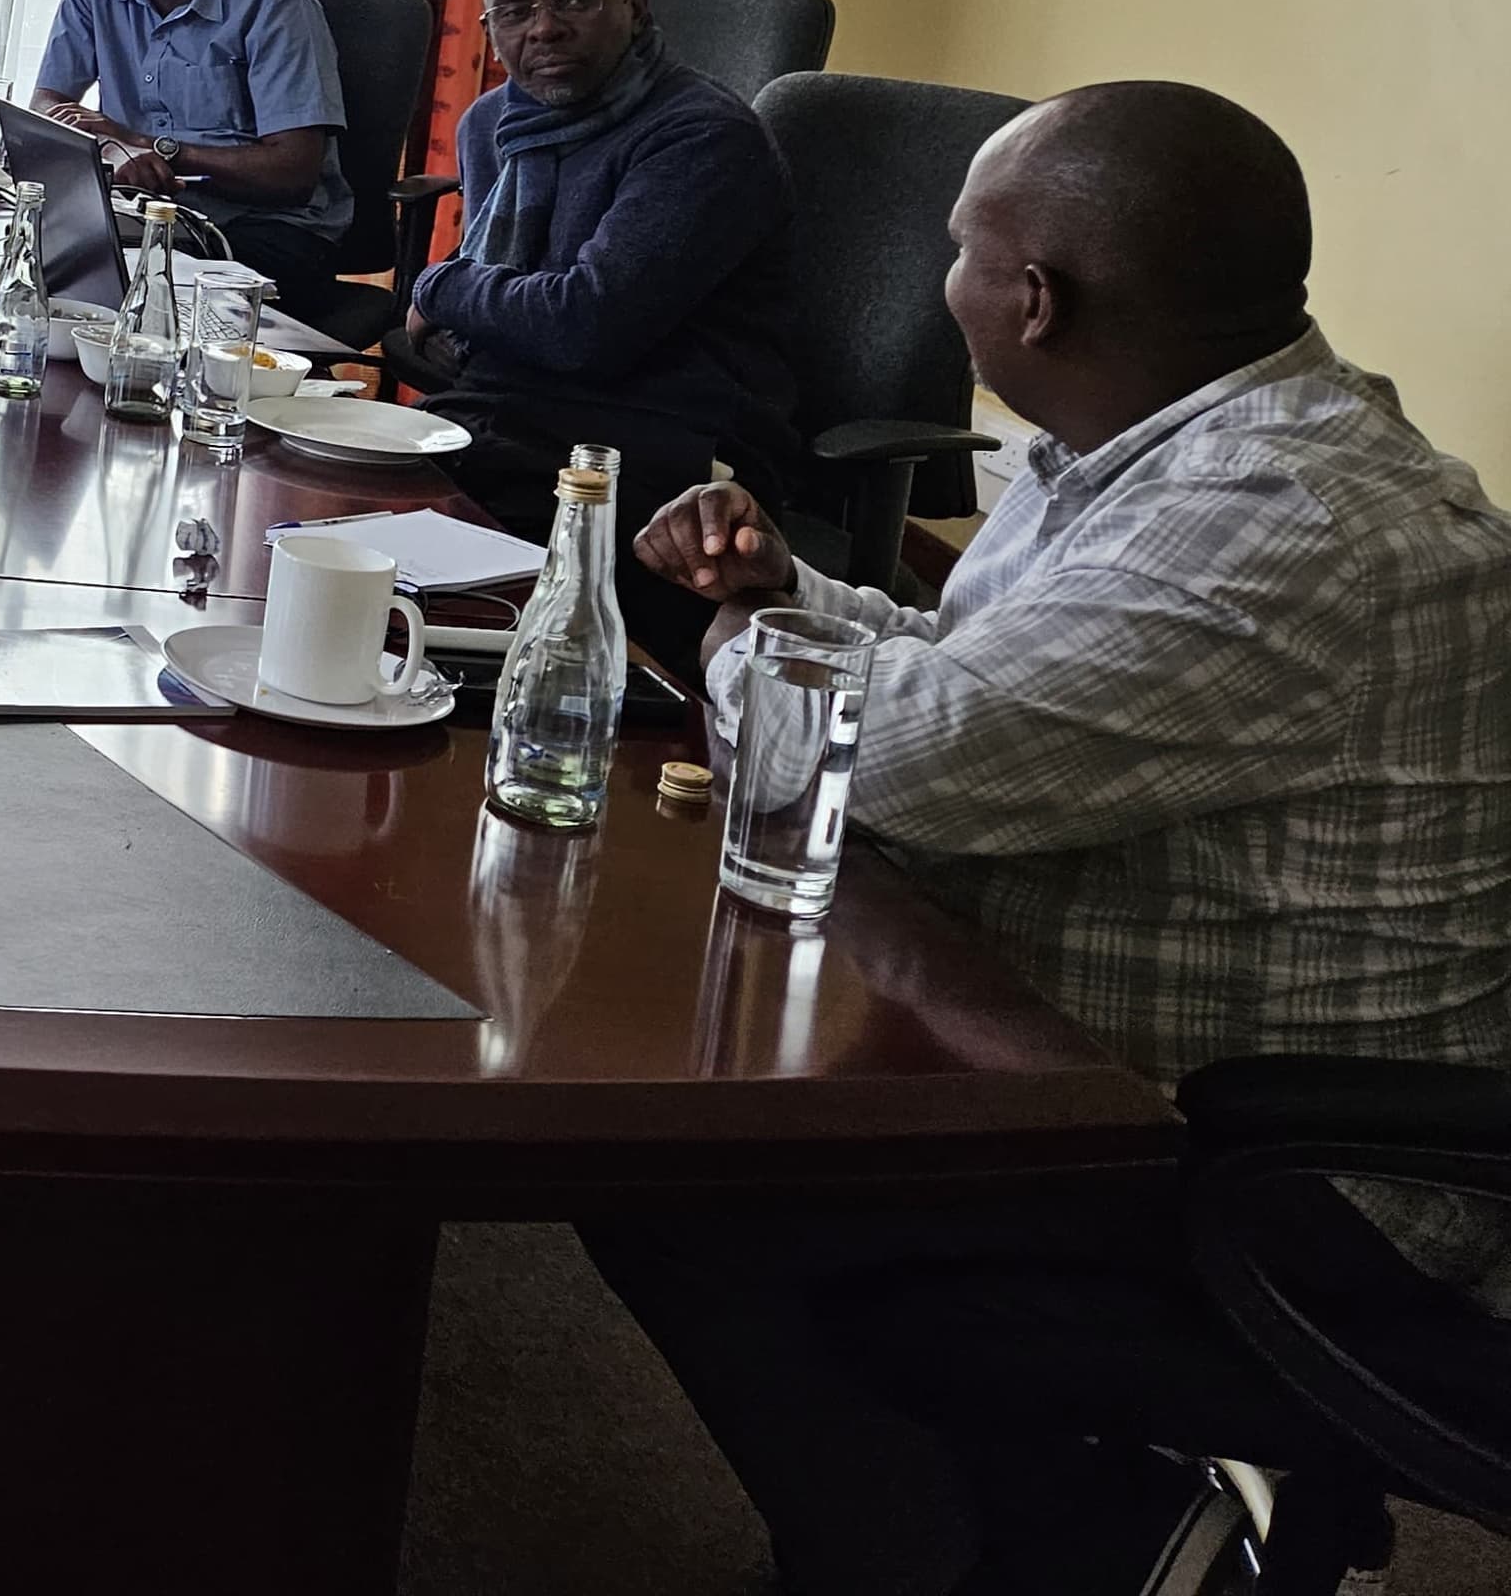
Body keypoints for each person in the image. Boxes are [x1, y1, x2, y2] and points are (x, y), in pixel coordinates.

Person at [589, 82, 1511, 1596]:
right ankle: (1042, 1524)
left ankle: (1040, 1555)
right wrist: (798, 594)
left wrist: (755, 633)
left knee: (689, 1175)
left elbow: (893, 759)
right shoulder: (1150, 447)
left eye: (957, 249)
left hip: (1285, 1182)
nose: (941, 280)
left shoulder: (1283, 520)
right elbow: (970, 666)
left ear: (1031, 296)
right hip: (1102, 1075)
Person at [396, 0, 795, 676]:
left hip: (667, 443)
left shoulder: (703, 136)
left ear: (633, 6)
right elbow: (510, 310)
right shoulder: (495, 125)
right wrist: (474, 303)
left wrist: (442, 283)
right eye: (514, 10)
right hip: (512, 410)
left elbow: (586, 324)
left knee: (438, 594)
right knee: (338, 501)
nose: (543, 28)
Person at [28, 0, 354, 329]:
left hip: (272, 231)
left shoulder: (275, 6)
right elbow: (48, 105)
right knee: (38, 259)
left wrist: (152, 146)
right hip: (155, 215)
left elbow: (293, 174)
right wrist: (116, 153)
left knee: (132, 293)